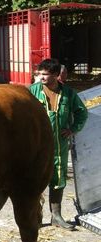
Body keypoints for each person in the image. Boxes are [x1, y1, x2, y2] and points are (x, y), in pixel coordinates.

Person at [30, 59, 88, 230]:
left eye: (45, 74)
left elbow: (81, 113)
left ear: (56, 75)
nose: (41, 77)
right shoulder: (32, 91)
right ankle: (35, 216)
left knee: (58, 179)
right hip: (37, 146)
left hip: (59, 146)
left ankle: (56, 216)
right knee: (35, 180)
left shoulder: (69, 94)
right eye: (39, 73)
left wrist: (73, 129)